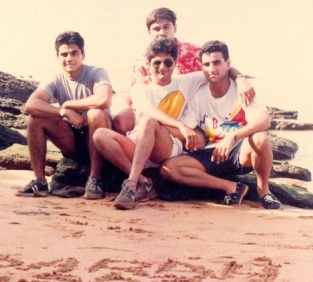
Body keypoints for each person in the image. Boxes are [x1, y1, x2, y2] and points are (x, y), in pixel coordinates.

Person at [160, 40, 283, 210]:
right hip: (211, 153)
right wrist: (157, 126)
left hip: (238, 150)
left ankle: (264, 192)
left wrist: (233, 136)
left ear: (228, 63)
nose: (212, 69)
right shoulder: (198, 95)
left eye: (217, 62)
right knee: (169, 168)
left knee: (260, 138)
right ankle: (231, 187)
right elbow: (187, 127)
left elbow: (264, 120)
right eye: (207, 64)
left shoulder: (241, 91)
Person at [94, 37, 207, 210]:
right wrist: (181, 126)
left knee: (149, 122)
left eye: (168, 62)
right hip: (140, 145)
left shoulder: (186, 81)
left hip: (166, 145)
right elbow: (149, 110)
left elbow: (221, 69)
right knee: (100, 135)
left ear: (175, 63)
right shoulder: (139, 89)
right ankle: (143, 182)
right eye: (157, 63)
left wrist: (241, 80)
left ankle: (130, 185)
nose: (163, 68)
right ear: (148, 64)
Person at [113, 7, 255, 135]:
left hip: (191, 110)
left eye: (166, 27)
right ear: (149, 32)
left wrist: (241, 80)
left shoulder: (193, 51)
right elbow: (133, 98)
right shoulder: (143, 61)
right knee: (121, 121)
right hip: (158, 110)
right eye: (156, 29)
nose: (162, 33)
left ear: (174, 27)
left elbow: (220, 68)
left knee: (198, 137)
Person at [15, 31, 113, 200]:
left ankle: (95, 179)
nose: (70, 58)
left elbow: (104, 99)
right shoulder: (56, 78)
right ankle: (40, 181)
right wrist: (63, 112)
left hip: (98, 137)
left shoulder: (96, 72)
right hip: (72, 139)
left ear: (83, 54)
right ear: (58, 57)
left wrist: (69, 105)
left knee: (95, 113)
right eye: (64, 54)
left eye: (74, 53)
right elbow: (30, 104)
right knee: (35, 119)